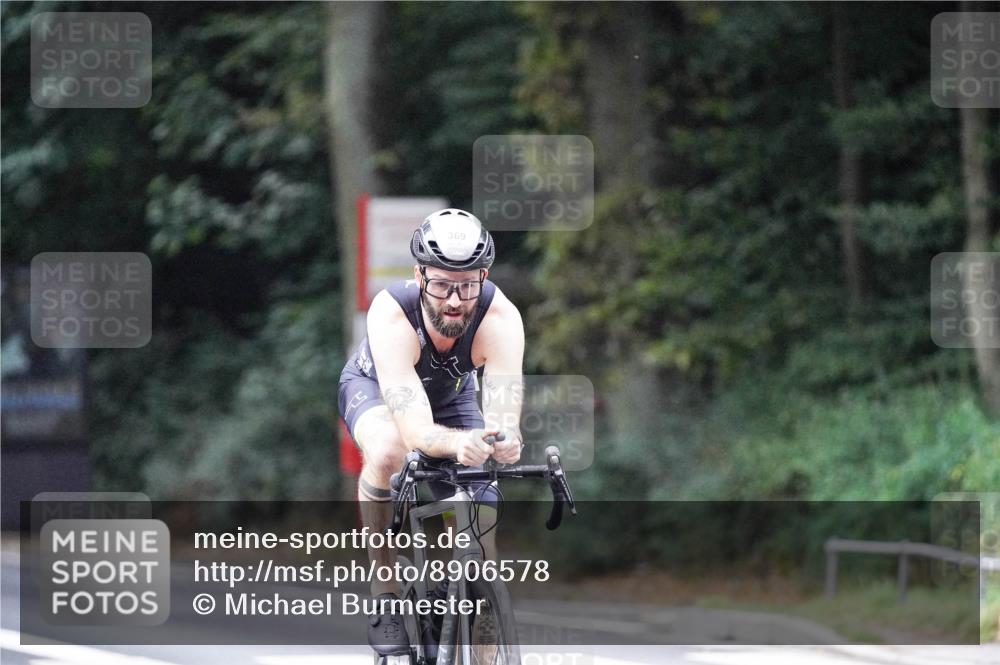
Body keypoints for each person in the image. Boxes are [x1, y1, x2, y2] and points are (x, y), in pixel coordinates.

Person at [337, 207, 525, 656]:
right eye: (441, 284)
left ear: (484, 276)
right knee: (388, 452)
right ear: (419, 275)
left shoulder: (500, 318)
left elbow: (501, 408)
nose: (455, 301)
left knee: (482, 531)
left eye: (467, 286)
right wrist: (460, 443)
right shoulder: (392, 313)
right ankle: (385, 594)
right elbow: (415, 428)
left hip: (451, 395)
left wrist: (505, 440)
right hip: (380, 391)